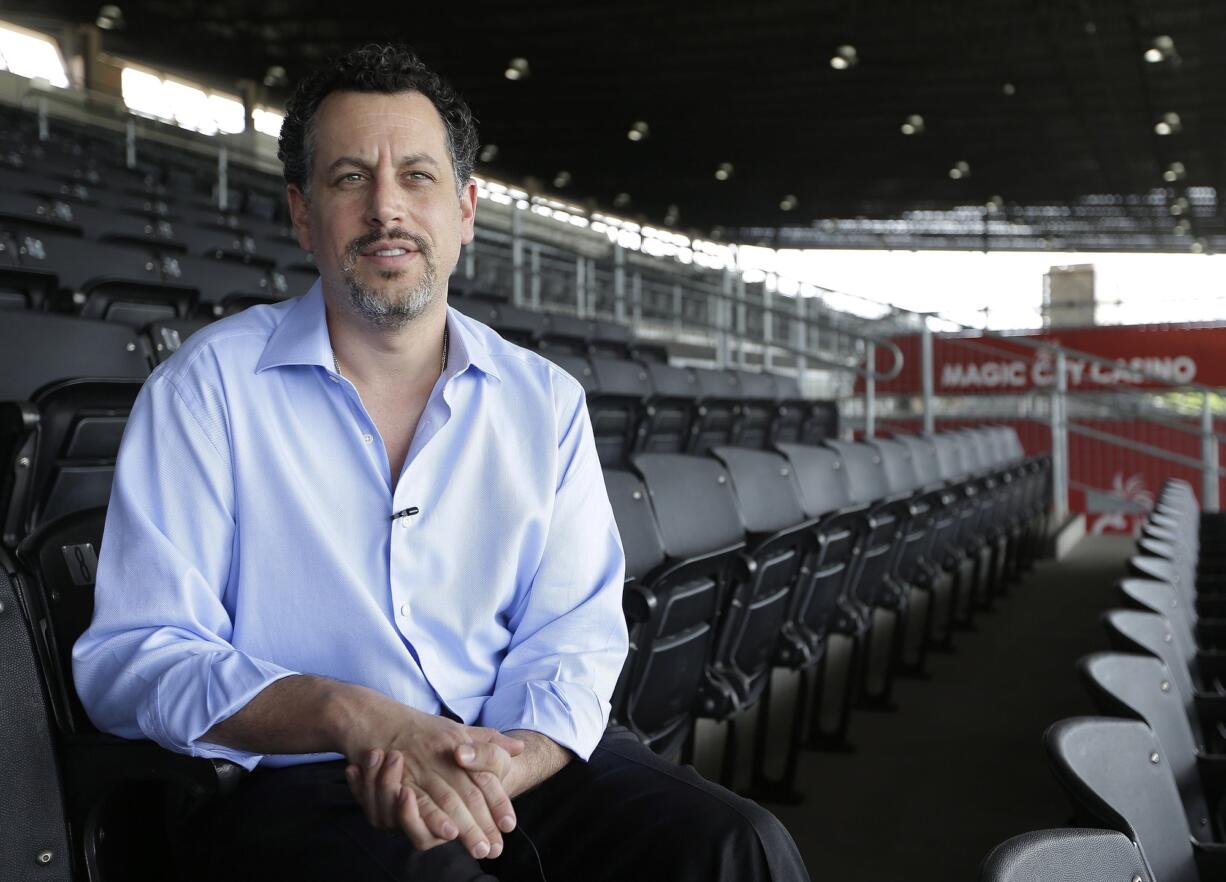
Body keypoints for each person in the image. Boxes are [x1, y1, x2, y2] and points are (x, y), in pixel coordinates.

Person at [73, 43, 809, 882]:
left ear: (464, 209)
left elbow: (573, 635)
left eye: (416, 176)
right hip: (301, 785)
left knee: (736, 845)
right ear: (302, 213)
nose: (387, 208)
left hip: (501, 759)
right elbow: (138, 657)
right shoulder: (204, 392)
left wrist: (507, 762)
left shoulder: (545, 403)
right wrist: (351, 715)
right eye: (350, 177)